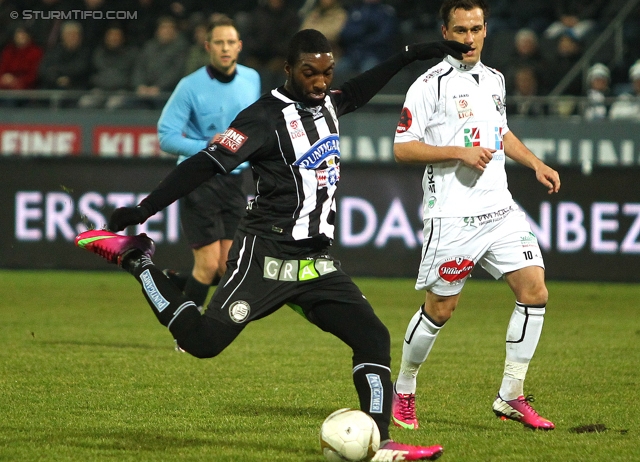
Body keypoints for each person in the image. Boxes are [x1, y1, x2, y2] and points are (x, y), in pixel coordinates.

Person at [75, 28, 470, 461]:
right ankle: (137, 259)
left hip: (314, 261)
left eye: (327, 72)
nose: (320, 82)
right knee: (202, 343)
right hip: (265, 253)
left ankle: (380, 441)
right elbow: (205, 164)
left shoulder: (330, 104)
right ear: (287, 70)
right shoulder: (262, 117)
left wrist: (411, 54)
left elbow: (361, 87)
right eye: (309, 73)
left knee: (372, 336)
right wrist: (143, 208)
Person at [391, 0, 560, 432]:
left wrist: (535, 163)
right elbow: (403, 147)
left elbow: (499, 132)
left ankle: (510, 395)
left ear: (486, 30)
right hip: (453, 215)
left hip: (499, 209)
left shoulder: (495, 79)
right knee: (441, 309)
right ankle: (404, 389)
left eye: (476, 29)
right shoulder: (428, 85)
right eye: (461, 30)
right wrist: (459, 152)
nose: (469, 38)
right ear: (445, 31)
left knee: (534, 290)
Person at [157, 16, 261, 310]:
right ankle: (186, 333)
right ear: (208, 47)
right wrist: (206, 146)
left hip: (235, 179)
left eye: (230, 42)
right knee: (206, 265)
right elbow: (166, 136)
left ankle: (177, 283)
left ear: (239, 46)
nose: (225, 48)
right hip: (199, 179)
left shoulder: (251, 79)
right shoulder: (190, 87)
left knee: (227, 268)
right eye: (219, 43)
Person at [131, 16, 189, 109]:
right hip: (145, 92)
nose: (166, 31)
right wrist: (140, 85)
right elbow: (139, 68)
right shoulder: (149, 46)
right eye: (164, 28)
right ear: (158, 30)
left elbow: (176, 71)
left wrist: (159, 88)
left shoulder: (181, 48)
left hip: (168, 92)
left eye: (170, 28)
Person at [77, 24, 138, 110]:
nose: (114, 38)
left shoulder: (130, 54)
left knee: (113, 105)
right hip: (100, 90)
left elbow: (134, 75)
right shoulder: (98, 53)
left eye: (117, 35)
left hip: (121, 91)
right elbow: (92, 72)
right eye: (111, 35)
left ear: (122, 38)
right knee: (85, 102)